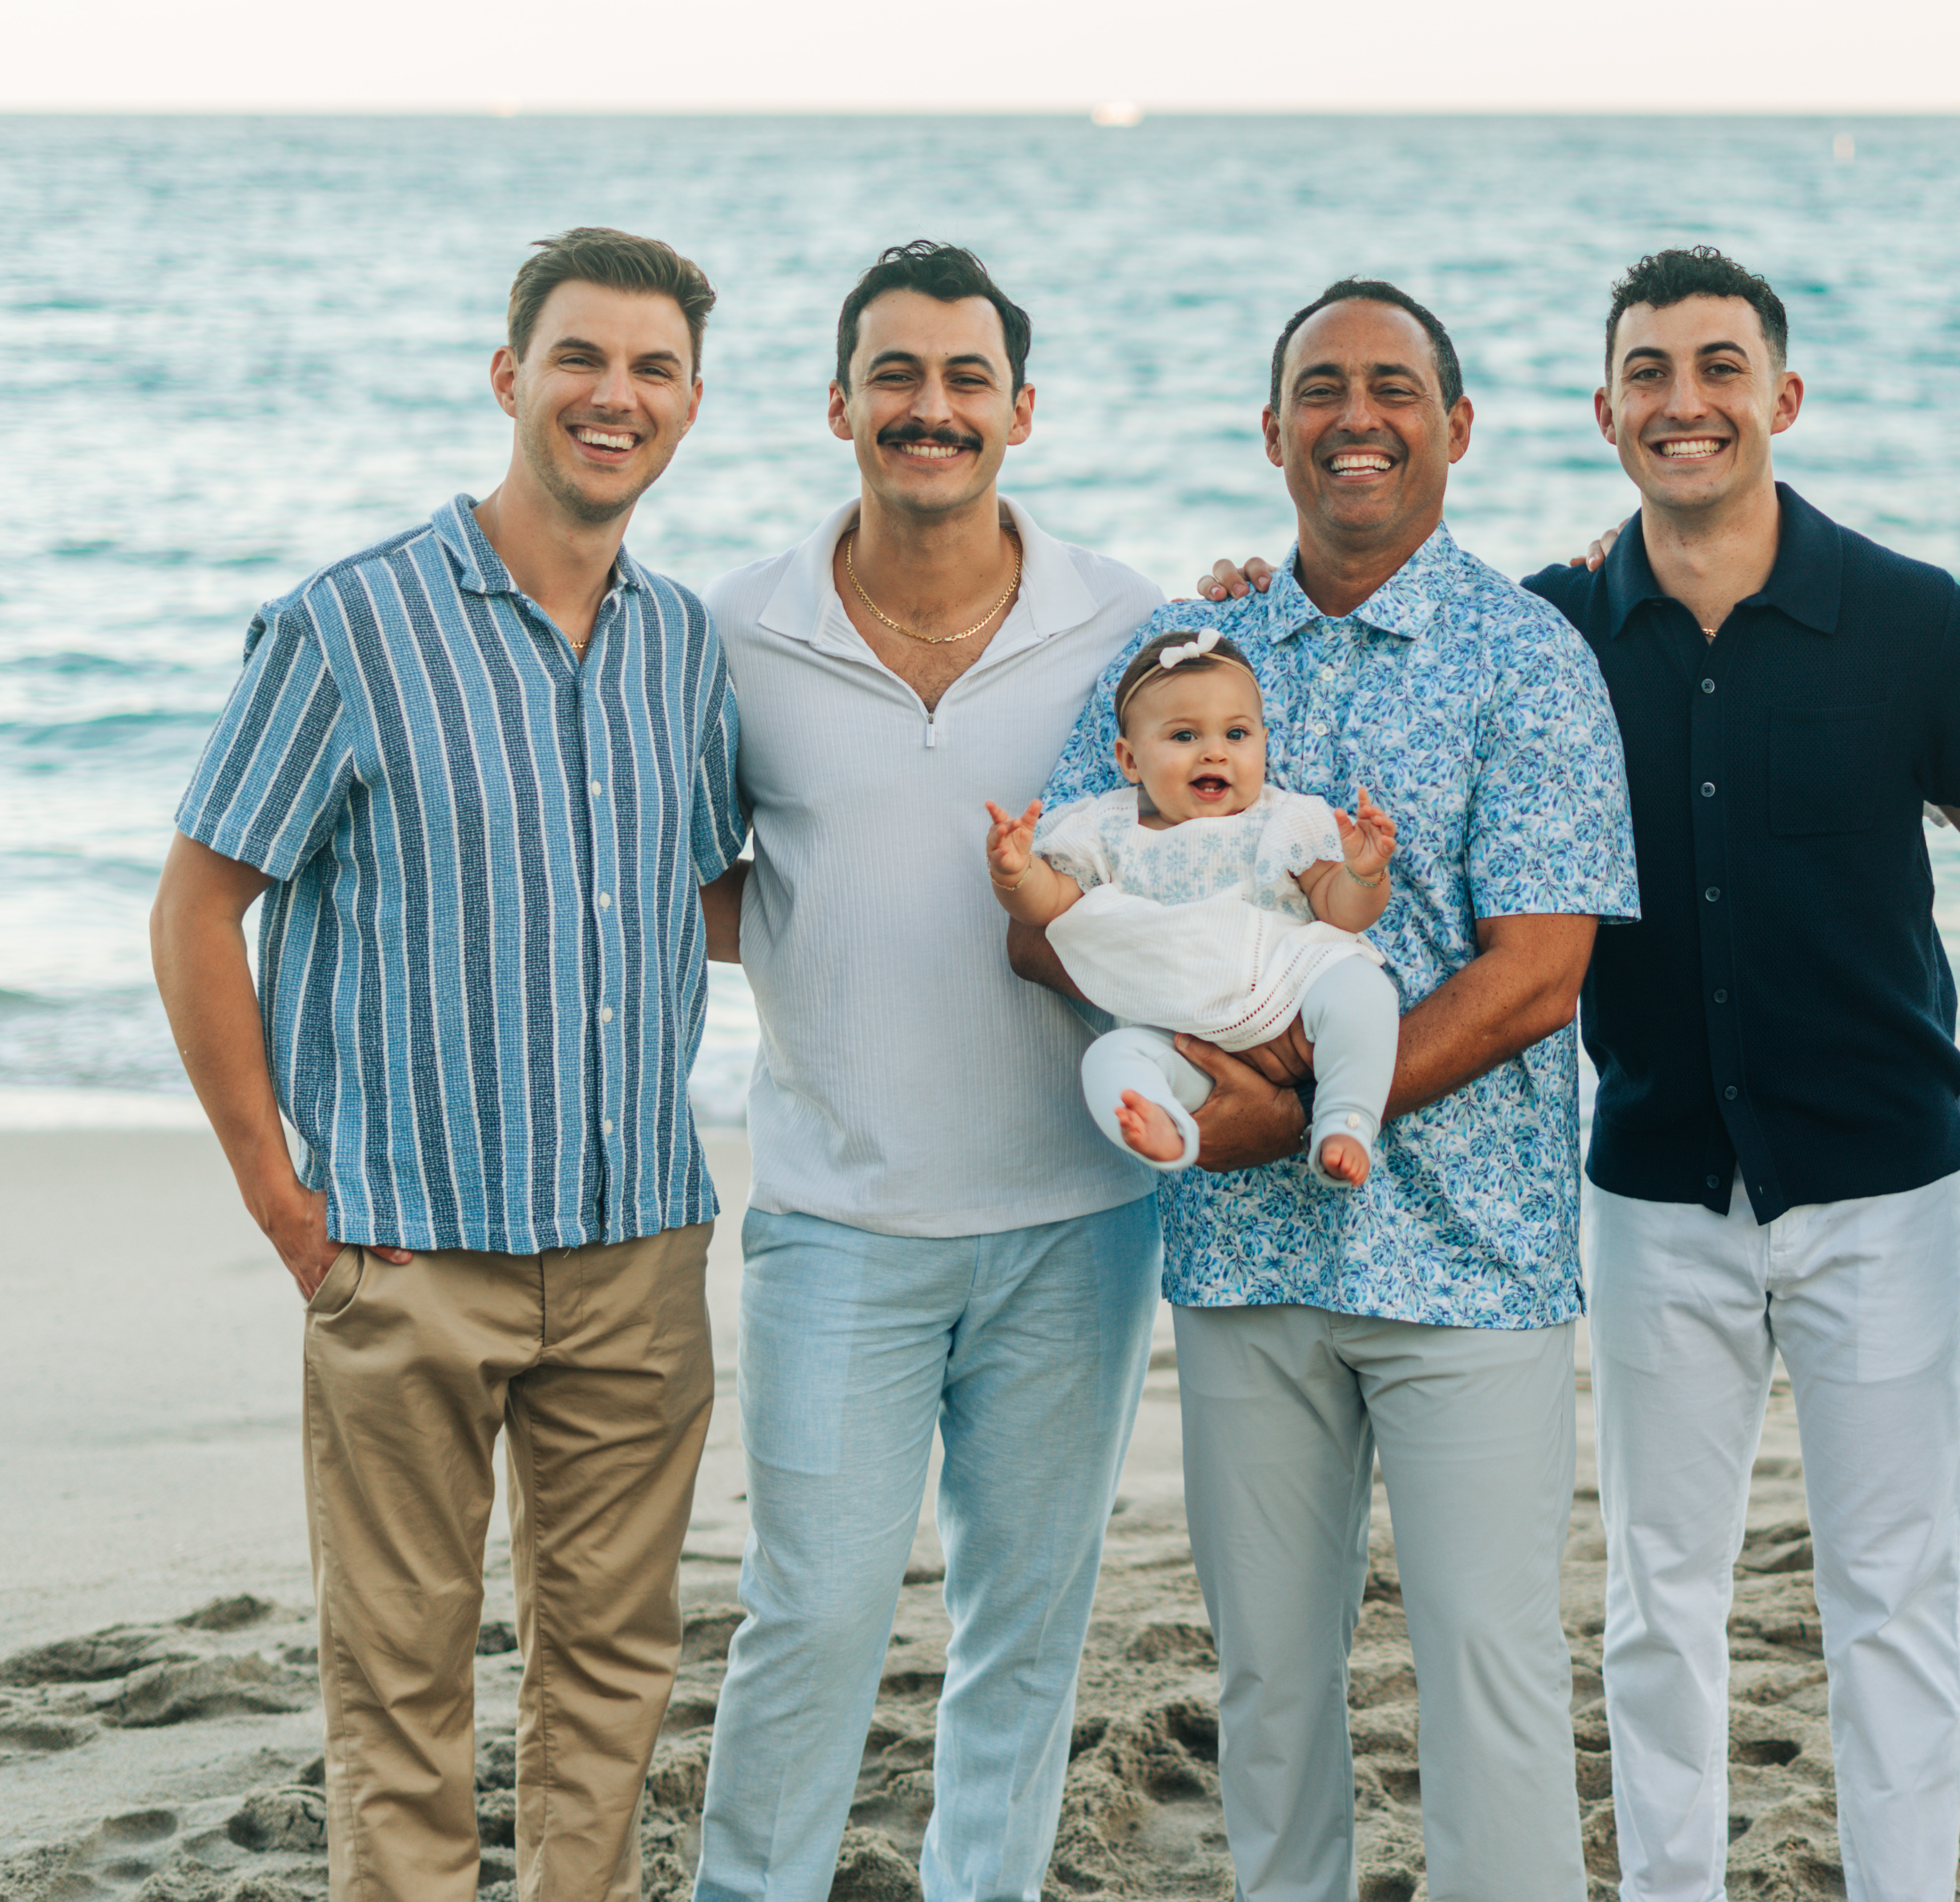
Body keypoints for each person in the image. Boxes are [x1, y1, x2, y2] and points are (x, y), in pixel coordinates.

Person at [148, 227, 743, 1901]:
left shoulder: (685, 645)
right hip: (404, 1251)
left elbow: (708, 907)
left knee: (611, 1683)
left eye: (650, 367)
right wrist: (281, 1199)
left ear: (692, 405)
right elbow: (199, 908)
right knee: (400, 1692)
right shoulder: (349, 625)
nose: (611, 394)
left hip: (635, 1247)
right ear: (509, 378)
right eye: (579, 357)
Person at [1027, 279, 1636, 1902]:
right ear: (1273, 429)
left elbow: (1539, 974)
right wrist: (1166, 1034)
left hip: (1473, 1261)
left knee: (1494, 1688)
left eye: (1391, 386)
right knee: (1271, 1693)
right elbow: (1052, 913)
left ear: (1455, 426)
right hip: (1246, 1262)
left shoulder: (1531, 660)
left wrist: (1289, 1115)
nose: (1354, 414)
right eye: (1319, 387)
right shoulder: (1190, 654)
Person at [1523, 246, 1960, 1901]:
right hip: (1657, 1179)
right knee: (1661, 1597)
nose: (1688, 401)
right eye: (1652, 372)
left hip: (1884, 1180)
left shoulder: (1914, 619)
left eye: (1720, 367)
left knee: (1895, 1593)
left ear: (1782, 398)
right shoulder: (1549, 632)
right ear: (1607, 414)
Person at [691, 240, 1168, 1902]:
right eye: (895, 375)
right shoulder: (736, 629)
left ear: (1020, 408)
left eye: (966, 379)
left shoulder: (1124, 620)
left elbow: (1209, 815)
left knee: (1024, 1631)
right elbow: (697, 875)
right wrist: (835, 944)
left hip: (1080, 1217)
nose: (930, 407)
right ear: (838, 403)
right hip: (835, 1215)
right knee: (810, 1613)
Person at [982, 628, 1399, 1185]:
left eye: (1237, 733)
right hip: (1179, 1032)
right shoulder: (1106, 827)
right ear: (1130, 759)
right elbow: (1053, 906)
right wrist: (1017, 873)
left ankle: (1347, 1118)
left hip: (1289, 993)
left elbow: (1339, 911)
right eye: (1183, 735)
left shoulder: (1280, 818)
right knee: (1113, 1060)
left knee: (1362, 988)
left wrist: (1363, 873)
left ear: (1263, 743)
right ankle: (1169, 1125)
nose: (1214, 751)